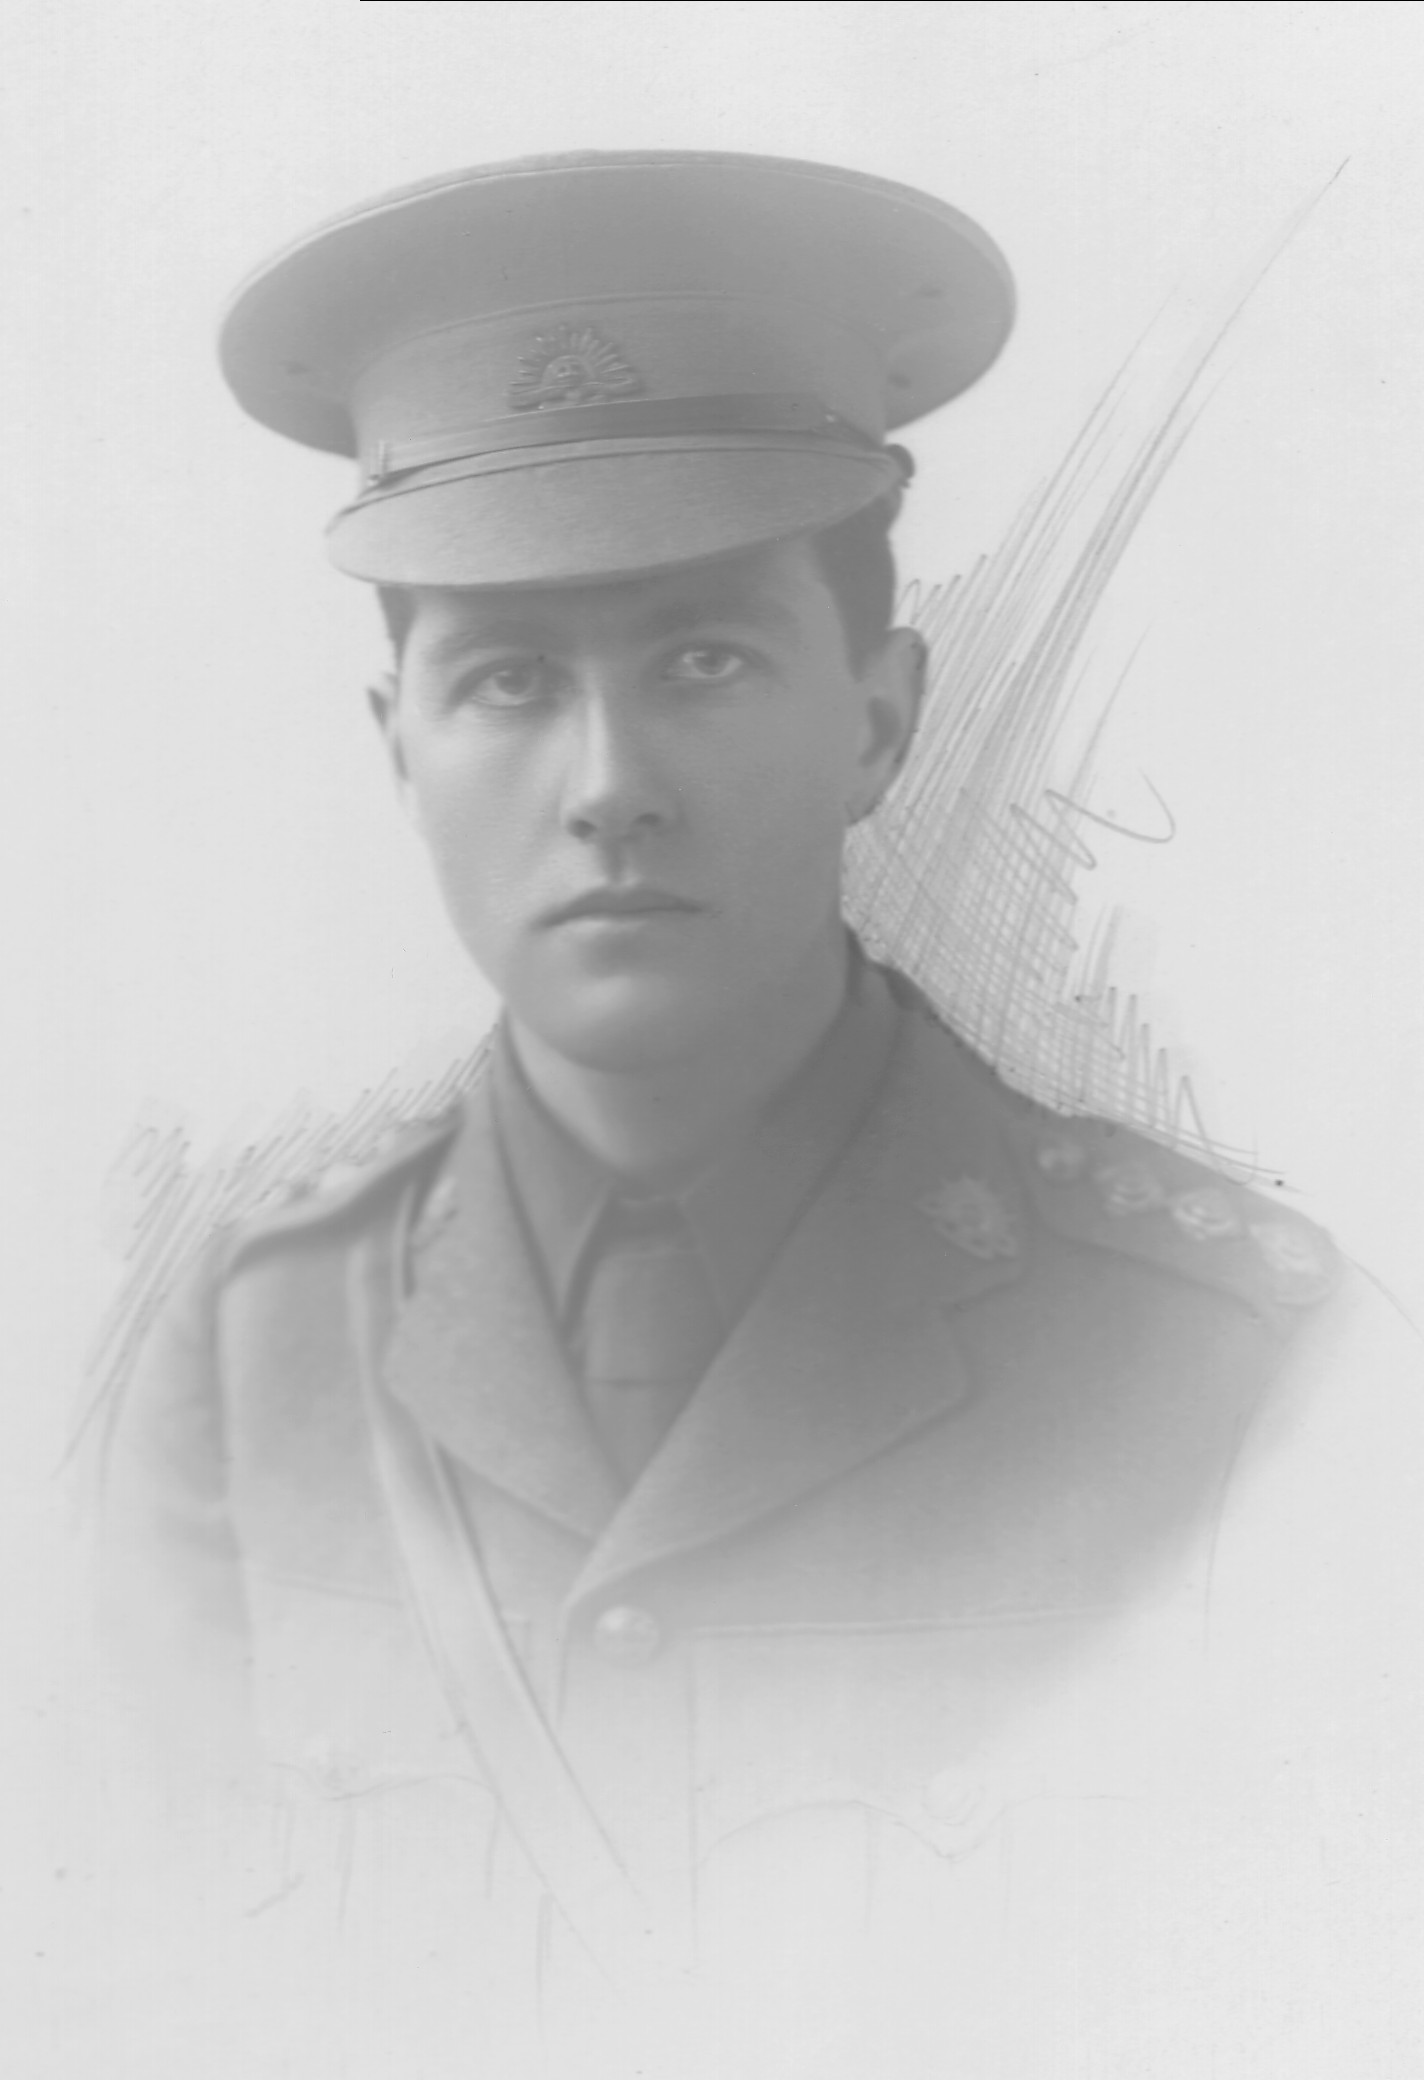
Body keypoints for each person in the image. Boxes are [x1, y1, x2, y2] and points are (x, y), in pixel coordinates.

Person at [98, 152, 1423, 2080]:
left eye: (704, 660)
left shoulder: (1249, 1375)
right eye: (507, 681)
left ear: (878, 719)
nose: (607, 784)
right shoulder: (251, 1347)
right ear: (399, 752)